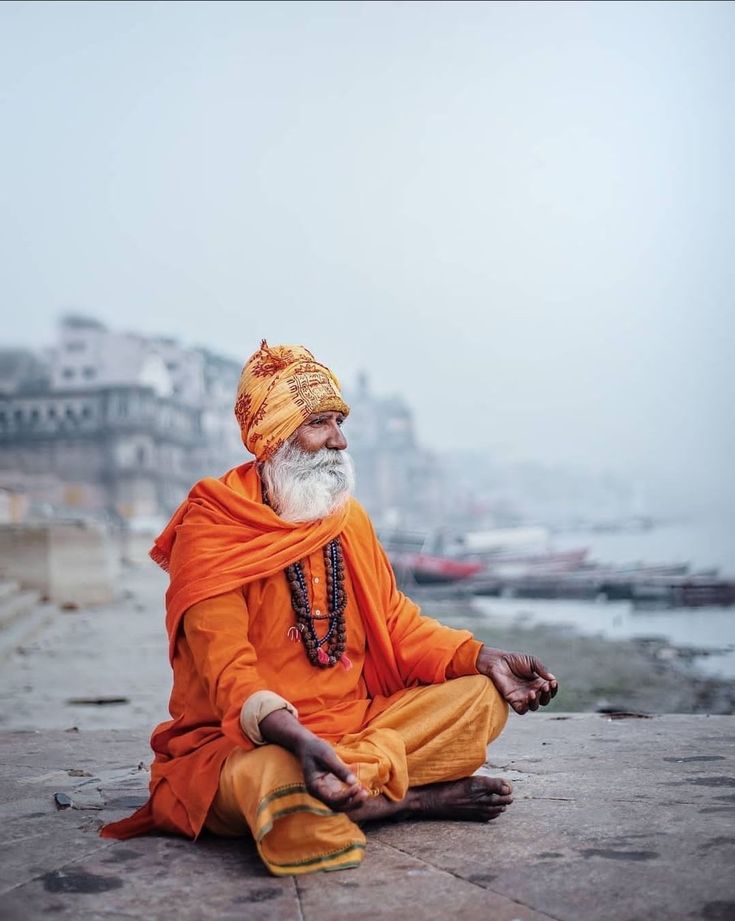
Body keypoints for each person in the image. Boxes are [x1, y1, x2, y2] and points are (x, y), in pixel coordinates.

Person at [102, 340, 558, 876]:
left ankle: (345, 783)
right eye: (321, 423)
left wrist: (482, 656)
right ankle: (404, 800)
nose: (340, 441)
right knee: (271, 779)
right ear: (275, 435)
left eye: (340, 423)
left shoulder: (346, 519)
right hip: (250, 743)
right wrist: (299, 740)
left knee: (482, 699)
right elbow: (228, 673)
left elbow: (397, 625)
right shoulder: (212, 529)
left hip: (357, 725)